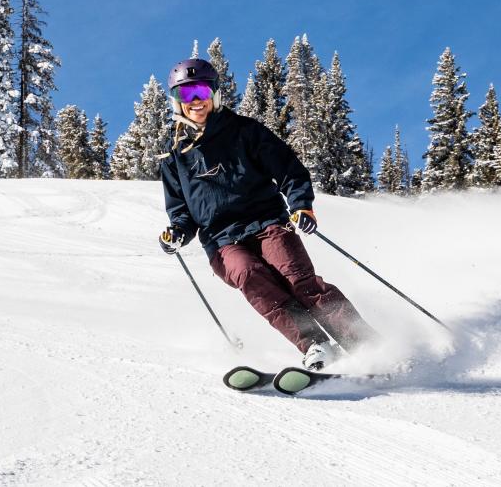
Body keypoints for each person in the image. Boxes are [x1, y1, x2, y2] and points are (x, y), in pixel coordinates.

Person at [158, 58, 375, 370]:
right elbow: (180, 209)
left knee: (300, 282)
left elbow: (289, 170)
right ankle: (315, 343)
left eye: (201, 92)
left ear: (215, 94)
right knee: (250, 276)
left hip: (267, 221)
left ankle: (363, 343)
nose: (194, 102)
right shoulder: (175, 155)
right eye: (184, 95)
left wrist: (301, 204)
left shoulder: (245, 132)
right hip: (221, 241)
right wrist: (177, 231)